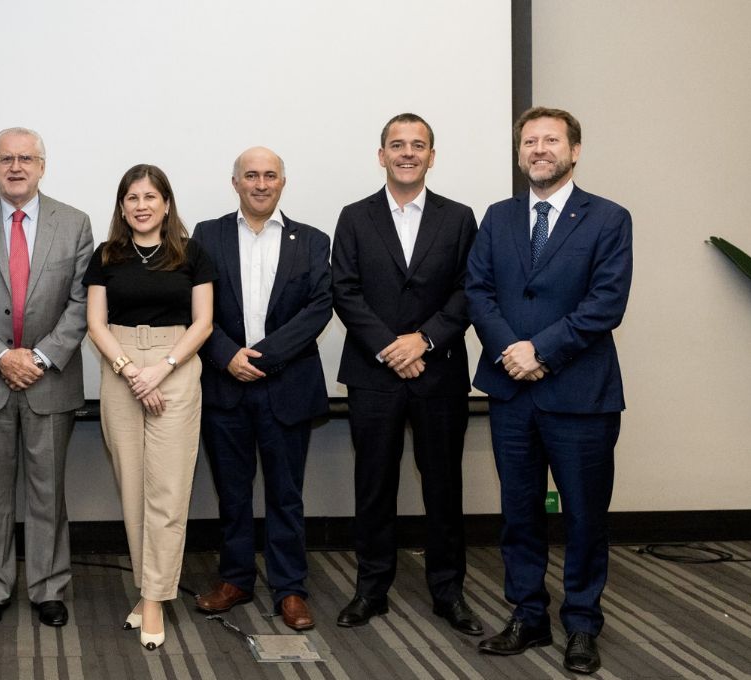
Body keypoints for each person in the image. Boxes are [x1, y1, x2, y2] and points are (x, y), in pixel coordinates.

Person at [466, 107, 632, 675]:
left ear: (575, 151)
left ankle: (583, 624)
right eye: (529, 141)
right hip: (512, 393)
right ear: (520, 155)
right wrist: (513, 350)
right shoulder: (497, 216)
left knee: (585, 517)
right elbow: (478, 292)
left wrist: (540, 351)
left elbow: (605, 304)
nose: (539, 149)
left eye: (551, 140)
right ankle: (527, 615)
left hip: (581, 396)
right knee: (519, 514)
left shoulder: (609, 219)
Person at [331, 114, 481, 634]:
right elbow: (344, 291)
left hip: (438, 372)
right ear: (381, 155)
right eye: (398, 145)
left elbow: (468, 290)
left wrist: (424, 340)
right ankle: (371, 589)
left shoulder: (459, 218)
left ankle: (448, 592)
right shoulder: (354, 217)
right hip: (374, 375)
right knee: (374, 485)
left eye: (418, 145)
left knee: (443, 487)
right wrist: (392, 348)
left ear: (432, 156)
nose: (408, 153)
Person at [0, 127, 93, 628]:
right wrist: (3, 358)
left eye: (26, 158)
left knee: (49, 493)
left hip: (51, 381)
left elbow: (81, 302)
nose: (16, 166)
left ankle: (48, 587)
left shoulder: (75, 223)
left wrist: (41, 358)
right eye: (5, 158)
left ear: (42, 165)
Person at [191, 147, 332, 631]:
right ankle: (235, 579)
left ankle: (290, 589)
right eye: (250, 175)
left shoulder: (312, 240)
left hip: (286, 385)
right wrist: (227, 354)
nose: (260, 183)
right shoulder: (206, 236)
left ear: (282, 183)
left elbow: (318, 308)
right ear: (235, 183)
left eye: (270, 175)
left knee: (285, 494)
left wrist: (264, 357)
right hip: (224, 384)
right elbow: (195, 307)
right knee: (232, 493)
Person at [86, 164, 214, 650]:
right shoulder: (106, 255)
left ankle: (156, 599)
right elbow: (96, 323)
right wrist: (130, 371)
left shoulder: (192, 253)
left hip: (175, 365)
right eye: (132, 198)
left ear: (166, 203)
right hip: (120, 368)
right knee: (134, 487)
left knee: (168, 489)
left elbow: (203, 323)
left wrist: (160, 368)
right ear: (122, 206)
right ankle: (148, 589)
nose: (141, 205)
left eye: (150, 197)